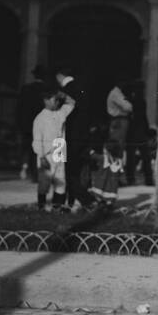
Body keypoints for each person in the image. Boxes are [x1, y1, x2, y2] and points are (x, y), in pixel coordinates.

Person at [55, 67, 94, 211]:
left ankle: (84, 200)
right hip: (82, 135)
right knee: (76, 171)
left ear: (59, 75)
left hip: (68, 137)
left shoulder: (64, 92)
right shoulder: (82, 87)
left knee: (65, 172)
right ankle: (72, 202)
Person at [32, 84, 76, 212]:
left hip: (59, 150)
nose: (57, 102)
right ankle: (41, 207)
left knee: (60, 181)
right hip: (46, 154)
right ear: (45, 100)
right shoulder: (40, 118)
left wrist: (61, 94)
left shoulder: (60, 113)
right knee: (44, 182)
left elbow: (72, 102)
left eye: (58, 100)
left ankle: (58, 209)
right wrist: (41, 157)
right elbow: (37, 140)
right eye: (53, 99)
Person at [16, 65, 49, 182]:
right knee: (41, 149)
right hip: (43, 126)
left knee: (28, 149)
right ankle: (38, 173)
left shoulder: (26, 89)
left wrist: (20, 124)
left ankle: (29, 171)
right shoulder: (47, 90)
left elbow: (19, 109)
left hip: (27, 125)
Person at [105, 77, 134, 148]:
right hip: (119, 120)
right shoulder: (116, 93)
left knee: (119, 143)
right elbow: (128, 107)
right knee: (117, 143)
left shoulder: (119, 93)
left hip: (120, 120)